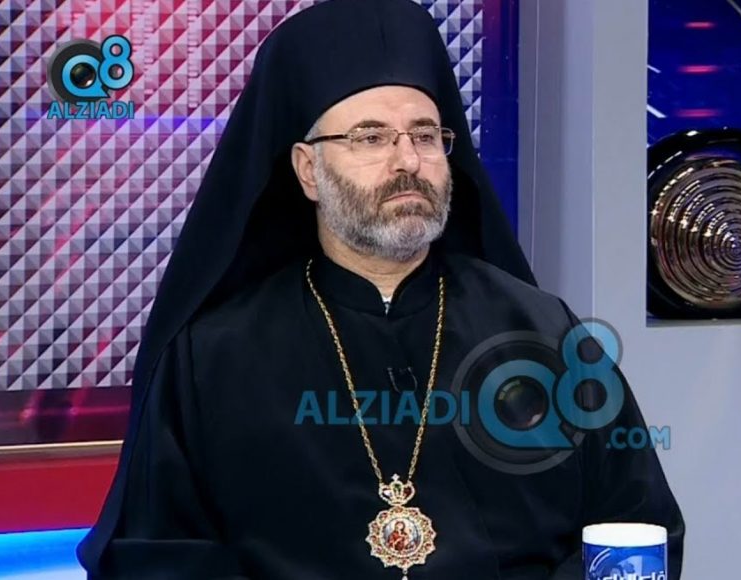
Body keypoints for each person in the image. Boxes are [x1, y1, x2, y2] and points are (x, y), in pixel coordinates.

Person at [77, 0, 684, 578]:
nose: (408, 161)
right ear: (308, 170)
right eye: (370, 138)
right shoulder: (211, 358)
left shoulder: (545, 334)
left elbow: (637, 528)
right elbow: (158, 554)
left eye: (425, 135)